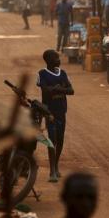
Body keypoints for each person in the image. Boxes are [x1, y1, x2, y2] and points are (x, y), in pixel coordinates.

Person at [37, 50, 74, 182]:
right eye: (56, 58)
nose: (58, 60)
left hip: (61, 111)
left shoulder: (63, 73)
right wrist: (60, 89)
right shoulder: (42, 74)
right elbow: (45, 91)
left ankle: (56, 164)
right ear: (48, 60)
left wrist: (57, 89)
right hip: (50, 112)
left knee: (60, 138)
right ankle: (52, 170)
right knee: (52, 139)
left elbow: (71, 91)